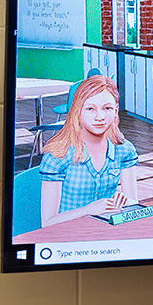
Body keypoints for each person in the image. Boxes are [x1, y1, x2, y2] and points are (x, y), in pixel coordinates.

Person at [39, 75, 138, 227]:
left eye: (107, 108)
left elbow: (133, 206)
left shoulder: (124, 150)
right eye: (90, 109)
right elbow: (47, 223)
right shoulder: (58, 156)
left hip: (106, 233)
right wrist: (90, 210)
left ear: (116, 110)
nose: (100, 117)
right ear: (78, 111)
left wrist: (124, 204)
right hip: (67, 238)